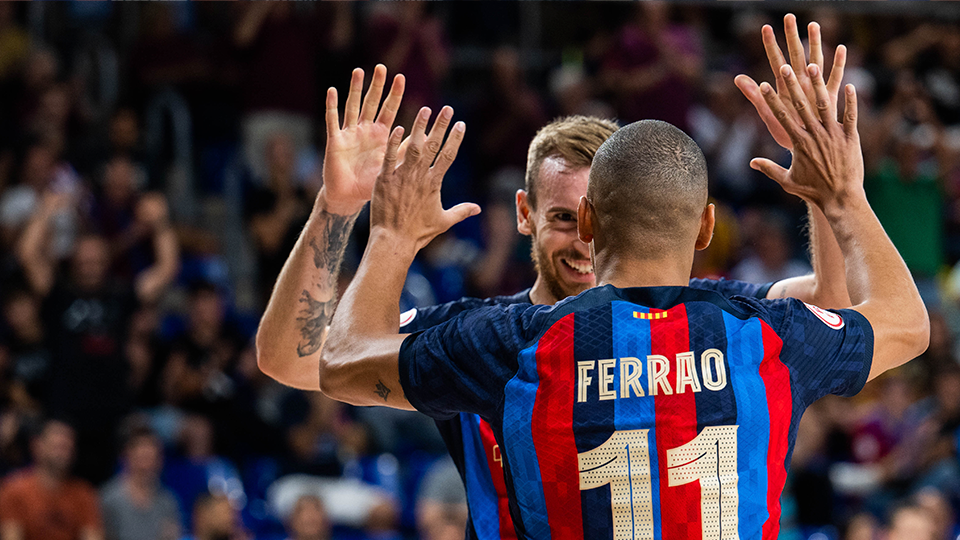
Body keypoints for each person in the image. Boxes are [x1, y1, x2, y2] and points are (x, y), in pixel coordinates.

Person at [315, 25, 928, 540]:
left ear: (588, 219)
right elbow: (903, 321)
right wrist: (842, 197)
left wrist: (390, 236)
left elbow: (340, 359)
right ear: (706, 226)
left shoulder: (510, 343)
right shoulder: (765, 335)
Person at [0, 419, 103, 540]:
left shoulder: (84, 493)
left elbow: (92, 536)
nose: (64, 451)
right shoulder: (13, 489)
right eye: (58, 446)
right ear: (36, 446)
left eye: (68, 446)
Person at [100, 425, 181, 540]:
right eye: (142, 458)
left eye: (152, 458)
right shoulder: (108, 498)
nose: (147, 465)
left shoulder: (168, 502)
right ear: (127, 456)